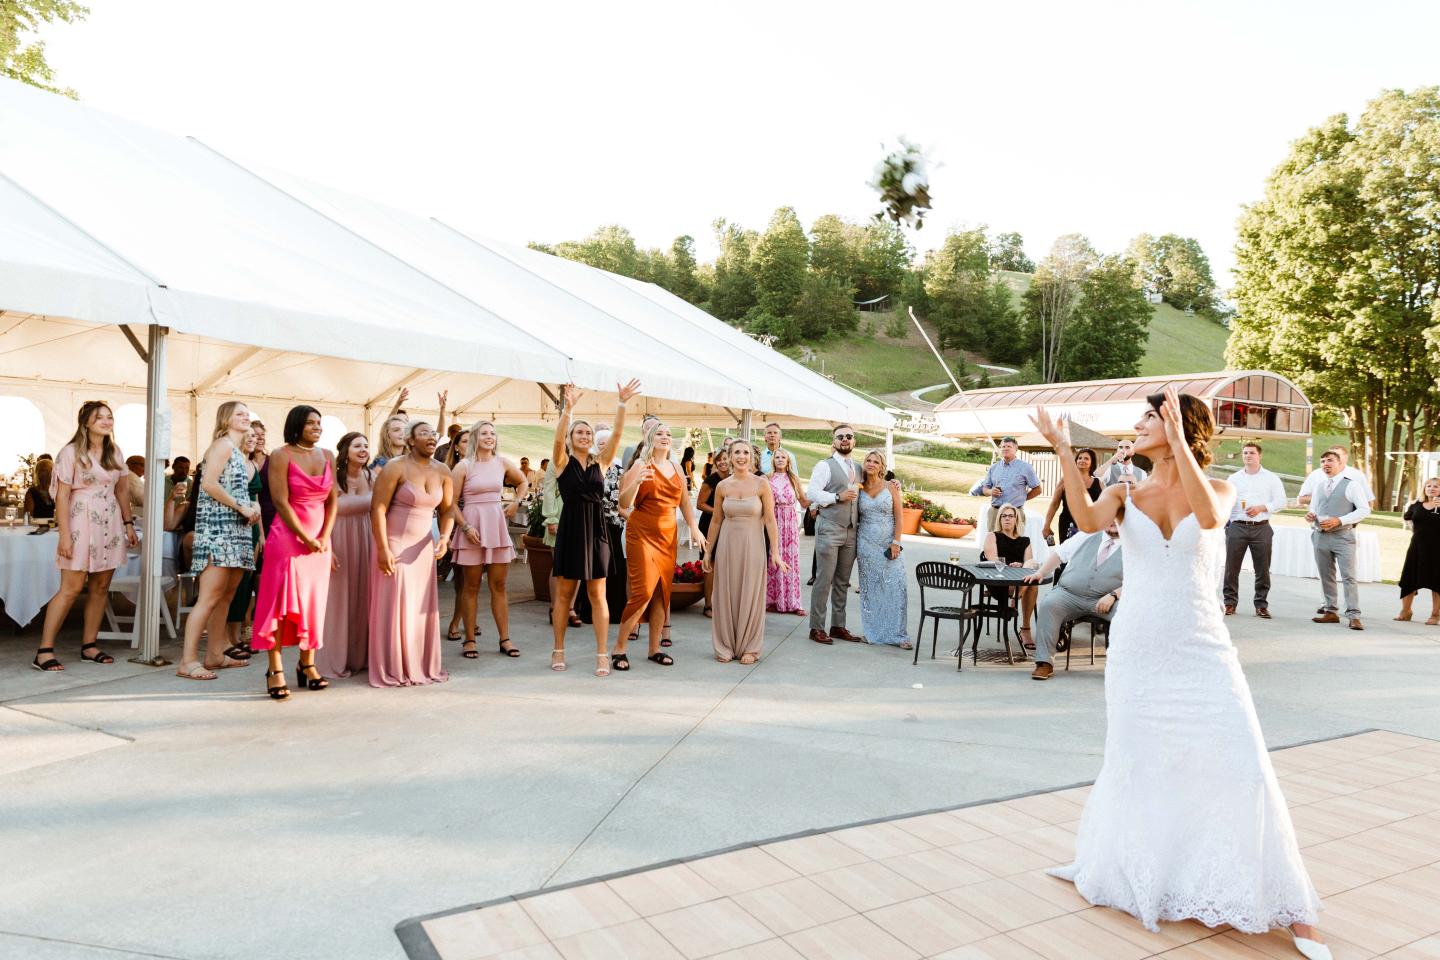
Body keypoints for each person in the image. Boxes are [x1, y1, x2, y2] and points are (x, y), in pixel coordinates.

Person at [1030, 389, 1329, 957]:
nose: (1139, 425)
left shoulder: (1219, 488)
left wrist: (1179, 445)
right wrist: (1063, 450)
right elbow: (1086, 518)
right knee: (1140, 762)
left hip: (1202, 648)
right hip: (1138, 649)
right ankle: (1139, 870)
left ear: (1180, 427)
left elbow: (1210, 517)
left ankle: (1294, 908)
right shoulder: (1123, 492)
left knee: (1243, 764)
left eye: (1150, 417)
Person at [32, 401, 139, 672]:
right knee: (70, 588)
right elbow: (62, 496)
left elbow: (122, 490)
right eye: (99, 417)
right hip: (80, 519)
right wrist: (64, 535)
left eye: (109, 416)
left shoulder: (115, 452)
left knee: (101, 587)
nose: (106, 420)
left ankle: (89, 645)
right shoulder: (70, 452)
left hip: (110, 521)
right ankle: (44, 651)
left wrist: (128, 524)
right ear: (86, 423)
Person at [549, 380, 639, 676]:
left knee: (598, 594)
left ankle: (602, 654)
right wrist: (568, 410)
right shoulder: (561, 462)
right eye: (579, 432)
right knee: (564, 594)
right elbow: (557, 439)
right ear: (571, 437)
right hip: (571, 529)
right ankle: (558, 648)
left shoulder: (601, 464)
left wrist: (622, 403)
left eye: (588, 432)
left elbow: (617, 434)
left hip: (596, 531)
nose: (585, 435)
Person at [251, 406, 338, 700]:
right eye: (311, 423)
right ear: (297, 425)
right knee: (279, 604)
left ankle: (307, 664)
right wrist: (305, 536)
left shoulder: (328, 455)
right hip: (288, 538)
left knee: (314, 602)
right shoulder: (281, 455)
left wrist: (324, 536)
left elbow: (333, 500)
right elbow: (280, 501)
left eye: (319, 423)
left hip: (320, 541)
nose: (317, 427)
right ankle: (275, 669)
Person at [175, 402, 260, 681]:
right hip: (217, 531)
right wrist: (241, 506)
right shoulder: (222, 446)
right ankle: (188, 661)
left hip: (238, 531)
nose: (246, 417)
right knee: (209, 597)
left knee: (227, 596)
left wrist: (252, 508)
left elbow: (238, 490)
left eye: (247, 413)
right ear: (226, 419)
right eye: (239, 413)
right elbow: (209, 484)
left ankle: (214, 654)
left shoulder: (238, 451)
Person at [369, 420, 455, 687]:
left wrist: (445, 538)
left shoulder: (443, 470)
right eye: (423, 433)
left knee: (419, 605)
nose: (431, 437)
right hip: (395, 544)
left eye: (432, 433)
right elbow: (378, 508)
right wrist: (382, 548)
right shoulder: (395, 467)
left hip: (424, 549)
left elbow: (448, 510)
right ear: (410, 440)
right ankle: (393, 664)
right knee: (397, 604)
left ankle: (419, 662)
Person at [613, 422, 702, 669]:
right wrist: (636, 483)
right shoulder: (641, 465)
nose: (665, 437)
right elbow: (624, 503)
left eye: (669, 434)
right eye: (660, 433)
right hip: (641, 533)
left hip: (667, 536)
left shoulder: (676, 467)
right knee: (642, 592)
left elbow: (685, 502)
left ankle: (654, 649)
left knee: (662, 593)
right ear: (651, 439)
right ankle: (619, 648)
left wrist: (694, 528)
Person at [450, 421, 528, 659]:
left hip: (496, 526)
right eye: (484, 433)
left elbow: (523, 482)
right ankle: (469, 639)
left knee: (499, 586)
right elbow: (450, 502)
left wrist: (516, 502)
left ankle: (505, 638)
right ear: (475, 436)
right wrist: (465, 526)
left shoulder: (502, 462)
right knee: (471, 586)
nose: (489, 437)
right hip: (472, 528)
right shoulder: (463, 466)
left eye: (492, 433)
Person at [705, 441, 785, 664]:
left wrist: (775, 552)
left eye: (746, 452)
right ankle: (725, 646)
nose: (741, 456)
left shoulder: (762, 484)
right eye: (737, 452)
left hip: (754, 546)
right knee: (726, 594)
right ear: (730, 456)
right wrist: (708, 551)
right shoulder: (722, 486)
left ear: (752, 457)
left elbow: (770, 519)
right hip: (727, 546)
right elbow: (716, 520)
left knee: (751, 593)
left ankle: (751, 647)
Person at [1022, 513, 1124, 679]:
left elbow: (1139, 577)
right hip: (1069, 594)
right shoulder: (1087, 534)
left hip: (1107, 599)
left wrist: (1114, 595)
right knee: (1049, 604)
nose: (1112, 521)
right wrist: (1040, 573)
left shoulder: (1134, 545)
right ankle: (1044, 662)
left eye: (1118, 517)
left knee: (1127, 614)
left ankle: (1120, 666)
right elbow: (1059, 554)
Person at [316, 432, 373, 680]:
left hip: (366, 538)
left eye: (366, 446)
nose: (363, 449)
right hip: (338, 538)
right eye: (357, 445)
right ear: (345, 451)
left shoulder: (372, 476)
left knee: (363, 597)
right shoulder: (333, 477)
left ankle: (359, 657)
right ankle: (333, 659)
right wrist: (327, 546)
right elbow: (321, 512)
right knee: (338, 601)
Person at [807, 424, 862, 644]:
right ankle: (816, 627)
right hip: (829, 527)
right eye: (840, 437)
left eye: (849, 436)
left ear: (854, 441)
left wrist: (893, 483)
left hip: (851, 530)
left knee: (842, 581)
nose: (845, 439)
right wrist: (837, 497)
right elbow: (812, 493)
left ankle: (838, 626)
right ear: (834, 442)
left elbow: (875, 485)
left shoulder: (858, 468)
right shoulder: (825, 465)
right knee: (824, 579)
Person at [1306, 448, 1371, 631]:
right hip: (1320, 536)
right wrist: (1311, 515)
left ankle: (1354, 615)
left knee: (1349, 576)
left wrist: (1340, 520)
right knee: (1326, 576)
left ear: (1340, 463)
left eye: (1330, 460)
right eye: (1323, 461)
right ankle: (1330, 611)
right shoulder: (1319, 486)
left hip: (1343, 536)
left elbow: (1364, 510)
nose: (1326, 464)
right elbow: (1314, 508)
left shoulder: (1351, 485)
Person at [1223, 441, 1288, 618]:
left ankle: (1261, 605)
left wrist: (1262, 507)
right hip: (1237, 526)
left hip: (1261, 527)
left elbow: (1281, 501)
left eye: (1252, 453)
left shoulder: (1271, 478)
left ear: (1260, 456)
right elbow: (1226, 501)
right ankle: (1229, 603)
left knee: (1262, 569)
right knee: (1231, 568)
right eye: (1245, 453)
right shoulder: (1233, 478)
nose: (1248, 456)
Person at [222, 427, 266, 661]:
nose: (253, 439)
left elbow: (256, 500)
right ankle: (225, 639)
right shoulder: (229, 461)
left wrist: (261, 535)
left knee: (246, 584)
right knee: (231, 586)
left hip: (253, 528)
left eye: (255, 436)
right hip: (233, 524)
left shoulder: (253, 465)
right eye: (248, 435)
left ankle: (236, 635)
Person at [855, 450, 908, 647]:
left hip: (888, 544)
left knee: (895, 588)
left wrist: (896, 542)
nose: (871, 464)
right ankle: (872, 633)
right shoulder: (859, 486)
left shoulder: (891, 486)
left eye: (875, 462)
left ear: (881, 466)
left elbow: (899, 517)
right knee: (870, 590)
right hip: (865, 544)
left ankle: (899, 636)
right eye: (868, 460)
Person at [983, 503, 1037, 648]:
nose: (1007, 518)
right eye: (1004, 516)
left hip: (1019, 582)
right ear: (999, 519)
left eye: (1011, 516)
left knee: (1031, 569)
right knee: (1030, 584)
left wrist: (1021, 565)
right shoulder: (992, 536)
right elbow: (994, 561)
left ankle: (1024, 626)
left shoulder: (1025, 541)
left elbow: (1029, 564)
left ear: (1016, 519)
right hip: (999, 582)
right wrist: (1011, 567)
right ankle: (1025, 628)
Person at [765, 448, 808, 615]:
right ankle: (771, 600)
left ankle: (793, 602)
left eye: (783, 457)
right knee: (772, 558)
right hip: (773, 520)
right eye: (777, 457)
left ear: (788, 461)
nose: (780, 459)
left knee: (790, 559)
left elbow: (804, 502)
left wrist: (823, 496)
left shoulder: (793, 479)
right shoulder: (767, 478)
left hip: (790, 523)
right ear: (773, 460)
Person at [968, 436, 1041, 531]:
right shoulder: (994, 468)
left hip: (1015, 513)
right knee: (993, 539)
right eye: (1003, 446)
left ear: (1015, 449)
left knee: (1014, 540)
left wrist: (1022, 498)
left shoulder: (1026, 467)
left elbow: (1037, 490)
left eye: (1009, 446)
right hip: (995, 512)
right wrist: (991, 492)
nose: (1005, 448)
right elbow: (984, 489)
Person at [1397, 477, 1440, 624]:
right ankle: (1406, 611)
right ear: (1424, 488)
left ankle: (1435, 615)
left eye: (1436, 486)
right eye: (1429, 486)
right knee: (1409, 578)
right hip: (1417, 547)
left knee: (1436, 581)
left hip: (1437, 549)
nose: (1432, 488)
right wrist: (1413, 530)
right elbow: (1407, 517)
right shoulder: (1416, 504)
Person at [696, 447, 730, 618]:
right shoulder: (711, 480)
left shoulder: (734, 479)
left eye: (725, 458)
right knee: (710, 564)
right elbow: (700, 504)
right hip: (709, 524)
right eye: (719, 460)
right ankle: (708, 605)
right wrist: (718, 512)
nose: (722, 462)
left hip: (729, 525)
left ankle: (723, 603)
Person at [1042, 448, 1101, 544]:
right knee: (1067, 552)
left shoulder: (1099, 483)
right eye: (1080, 458)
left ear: (1092, 463)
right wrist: (1047, 525)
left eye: (1086, 458)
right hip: (1067, 523)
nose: (1082, 460)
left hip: (1091, 525)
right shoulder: (1065, 480)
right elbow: (1054, 504)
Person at [1298, 446, 1373, 509]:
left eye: (1336, 455)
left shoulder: (1357, 475)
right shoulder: (1315, 475)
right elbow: (1301, 499)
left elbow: (1368, 501)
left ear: (1346, 457)